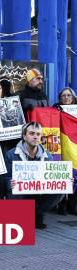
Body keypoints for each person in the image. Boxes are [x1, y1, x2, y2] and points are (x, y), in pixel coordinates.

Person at [4, 122, 64, 229]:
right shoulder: (11, 154)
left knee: (61, 191)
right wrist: (10, 182)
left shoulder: (48, 156)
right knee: (11, 191)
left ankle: (37, 213)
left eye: (38, 134)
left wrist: (64, 181)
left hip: (39, 193)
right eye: (32, 133)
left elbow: (52, 177)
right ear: (24, 136)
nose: (35, 137)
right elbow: (6, 176)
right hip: (20, 193)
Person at [53, 87, 77, 215]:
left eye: (69, 95)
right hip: (62, 145)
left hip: (75, 146)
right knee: (63, 175)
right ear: (60, 98)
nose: (66, 98)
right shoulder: (56, 110)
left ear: (73, 98)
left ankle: (71, 206)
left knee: (75, 175)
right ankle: (61, 205)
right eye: (63, 96)